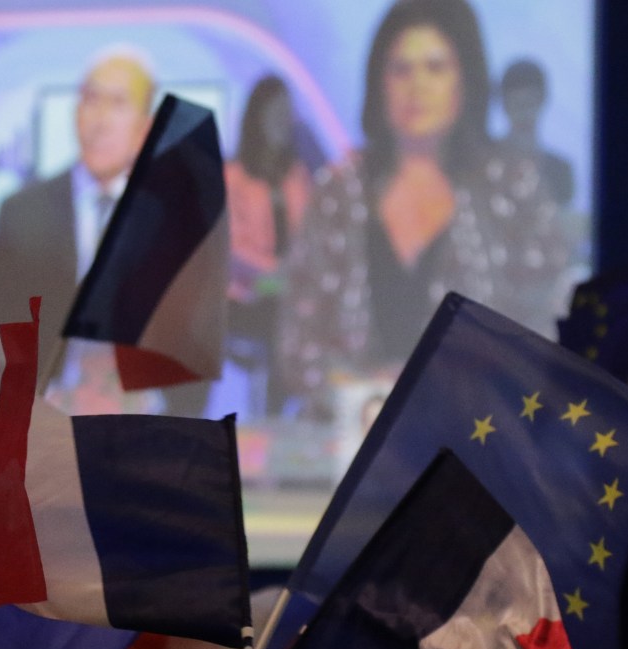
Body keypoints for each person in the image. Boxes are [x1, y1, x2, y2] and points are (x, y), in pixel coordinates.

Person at [277, 0, 565, 405]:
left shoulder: (512, 190)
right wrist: (364, 393)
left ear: (466, 79)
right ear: (379, 82)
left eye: (436, 67)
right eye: (401, 69)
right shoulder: (337, 194)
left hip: (479, 430)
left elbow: (548, 329)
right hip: (351, 430)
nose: (417, 86)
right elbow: (298, 345)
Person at [0, 47, 155, 392]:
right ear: (75, 114)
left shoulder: (173, 220)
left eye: (118, 104)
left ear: (145, 128)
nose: (101, 121)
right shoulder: (22, 213)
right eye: (91, 100)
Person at [222, 74, 313, 415]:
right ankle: (272, 413)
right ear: (258, 116)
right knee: (280, 311)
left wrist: (294, 272)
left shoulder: (297, 174)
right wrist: (276, 273)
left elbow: (309, 234)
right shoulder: (232, 176)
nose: (283, 120)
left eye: (287, 112)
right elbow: (231, 249)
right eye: (276, 111)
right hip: (247, 291)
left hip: (289, 288)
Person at [497, 60, 575, 208]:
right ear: (504, 105)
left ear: (542, 101)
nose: (524, 112)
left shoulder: (561, 171)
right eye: (516, 103)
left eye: (530, 102)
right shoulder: (484, 165)